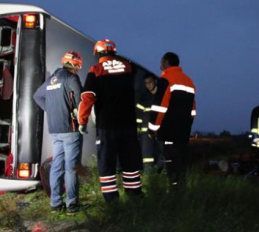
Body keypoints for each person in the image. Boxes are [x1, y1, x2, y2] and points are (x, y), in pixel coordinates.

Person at [78, 39, 142, 203]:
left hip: (107, 126)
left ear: (98, 53)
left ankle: (112, 200)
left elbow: (87, 97)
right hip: (128, 124)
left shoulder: (96, 70)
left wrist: (82, 120)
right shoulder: (128, 67)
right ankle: (134, 195)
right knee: (130, 160)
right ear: (114, 52)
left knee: (107, 162)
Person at [33, 51, 84, 214]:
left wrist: (51, 109)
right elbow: (80, 100)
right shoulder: (71, 78)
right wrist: (81, 119)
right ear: (75, 65)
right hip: (71, 129)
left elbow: (37, 96)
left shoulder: (51, 80)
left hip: (55, 130)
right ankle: (72, 204)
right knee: (71, 167)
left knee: (57, 166)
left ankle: (55, 203)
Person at [149, 52, 196, 187]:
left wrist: (152, 129)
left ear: (166, 62)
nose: (159, 65)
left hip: (169, 131)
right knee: (181, 163)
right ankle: (182, 189)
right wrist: (187, 125)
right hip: (183, 132)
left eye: (161, 62)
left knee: (171, 163)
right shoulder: (189, 81)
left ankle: (175, 193)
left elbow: (159, 108)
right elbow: (193, 109)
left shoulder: (166, 79)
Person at [136, 74, 162, 172]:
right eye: (146, 83)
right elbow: (138, 116)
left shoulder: (161, 97)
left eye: (150, 82)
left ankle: (158, 172)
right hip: (145, 133)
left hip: (159, 131)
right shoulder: (143, 99)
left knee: (162, 154)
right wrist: (138, 130)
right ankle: (149, 177)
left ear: (155, 81)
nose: (148, 85)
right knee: (146, 157)